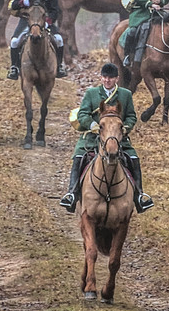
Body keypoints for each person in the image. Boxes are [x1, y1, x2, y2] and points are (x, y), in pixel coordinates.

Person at [61, 62, 152, 213]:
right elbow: (82, 113)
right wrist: (92, 125)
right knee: (79, 158)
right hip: (92, 137)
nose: (107, 80)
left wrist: (125, 128)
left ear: (116, 78)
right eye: (104, 77)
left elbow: (131, 116)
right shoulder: (91, 93)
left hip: (117, 138)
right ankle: (72, 193)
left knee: (133, 159)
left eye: (110, 78)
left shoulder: (125, 94)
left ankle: (139, 196)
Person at [7, 0, 66, 78]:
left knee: (59, 40)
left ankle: (59, 66)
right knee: (14, 41)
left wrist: (48, 22)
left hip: (45, 21)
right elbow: (14, 5)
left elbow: (55, 10)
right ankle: (14, 67)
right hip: (26, 21)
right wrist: (23, 3)